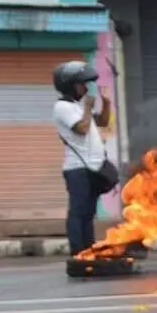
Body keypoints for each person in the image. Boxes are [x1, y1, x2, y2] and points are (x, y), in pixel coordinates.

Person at [52, 60, 113, 255]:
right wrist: (88, 107)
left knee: (88, 213)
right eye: (81, 84)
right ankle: (78, 252)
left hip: (93, 168)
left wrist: (107, 102)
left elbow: (102, 122)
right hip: (77, 169)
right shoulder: (62, 107)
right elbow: (82, 129)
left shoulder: (78, 107)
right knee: (78, 212)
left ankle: (89, 250)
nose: (86, 88)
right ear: (69, 85)